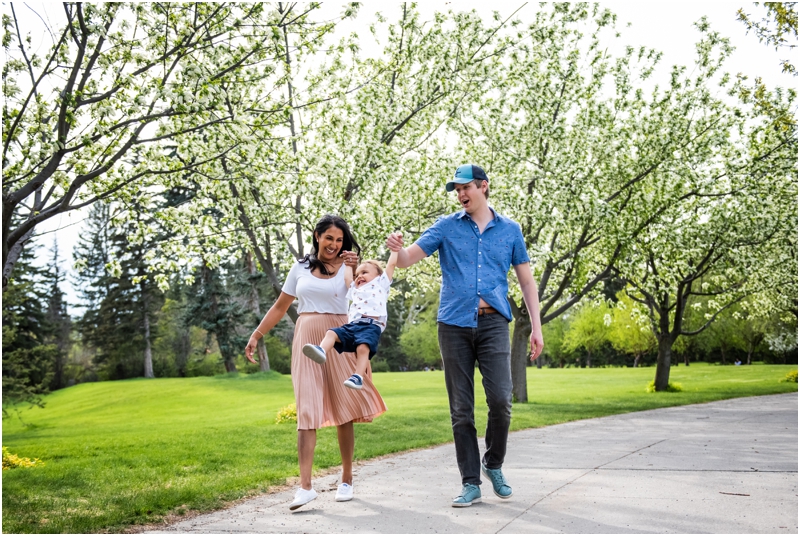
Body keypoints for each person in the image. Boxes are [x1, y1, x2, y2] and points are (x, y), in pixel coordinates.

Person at [385, 163, 544, 508]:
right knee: (461, 409)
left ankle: (493, 463)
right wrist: (395, 248)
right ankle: (470, 482)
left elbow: (527, 282)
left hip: (493, 325)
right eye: (456, 190)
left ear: (483, 186)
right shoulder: (446, 227)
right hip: (454, 326)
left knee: (502, 400)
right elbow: (408, 258)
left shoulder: (510, 230)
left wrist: (536, 326)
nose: (460, 195)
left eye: (466, 187)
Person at [245, 214, 387, 511]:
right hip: (308, 337)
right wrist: (257, 335)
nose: (334, 245)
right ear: (317, 236)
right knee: (306, 409)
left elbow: (372, 291)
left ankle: (346, 479)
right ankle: (305, 487)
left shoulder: (352, 269)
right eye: (329, 238)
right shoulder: (300, 268)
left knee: (344, 408)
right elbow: (280, 306)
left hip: (341, 335)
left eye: (339, 240)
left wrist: (353, 266)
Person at [303, 250, 399, 390]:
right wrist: (348, 265)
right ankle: (322, 350)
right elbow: (348, 279)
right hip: (352, 326)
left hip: (371, 325)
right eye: (358, 274)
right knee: (331, 333)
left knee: (362, 347)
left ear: (379, 276)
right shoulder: (356, 289)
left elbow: (391, 264)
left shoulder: (381, 284)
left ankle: (357, 377)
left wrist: (395, 250)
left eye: (364, 272)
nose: (359, 276)